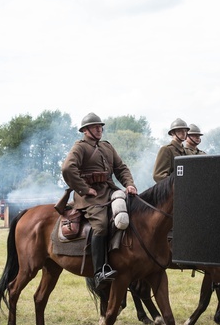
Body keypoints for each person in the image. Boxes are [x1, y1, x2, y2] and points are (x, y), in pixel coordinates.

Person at [61, 113, 137, 290]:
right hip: (89, 197)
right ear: (85, 130)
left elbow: (121, 168)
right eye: (95, 127)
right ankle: (99, 271)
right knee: (101, 224)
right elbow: (67, 168)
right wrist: (84, 188)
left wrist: (129, 185)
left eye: (100, 126)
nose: (99, 129)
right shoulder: (80, 148)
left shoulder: (107, 147)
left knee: (133, 215)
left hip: (110, 191)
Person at [152, 118, 189, 183]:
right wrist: (178, 182)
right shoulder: (166, 150)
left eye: (185, 131)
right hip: (173, 190)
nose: (184, 133)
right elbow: (158, 176)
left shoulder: (187, 151)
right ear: (172, 133)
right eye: (180, 130)